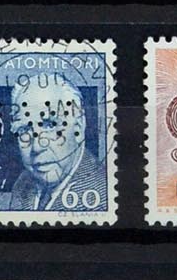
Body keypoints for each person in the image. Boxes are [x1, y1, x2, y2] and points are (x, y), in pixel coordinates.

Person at [7, 70, 108, 213]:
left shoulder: (103, 194)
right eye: (24, 129)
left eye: (49, 125)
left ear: (78, 129)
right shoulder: (23, 184)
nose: (36, 147)